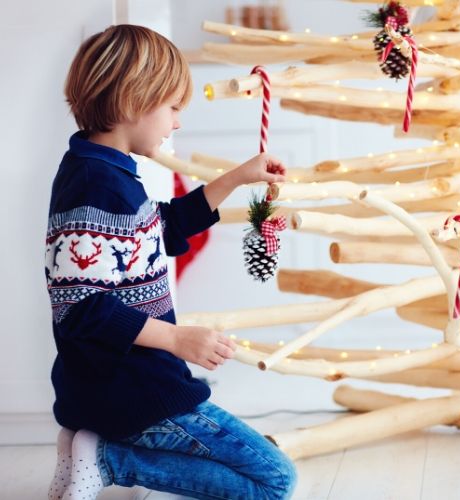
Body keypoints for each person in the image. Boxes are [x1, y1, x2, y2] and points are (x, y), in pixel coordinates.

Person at [44, 24, 296, 500]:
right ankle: (106, 458)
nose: (176, 122)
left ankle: (88, 447)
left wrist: (239, 177)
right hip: (136, 391)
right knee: (274, 480)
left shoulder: (102, 172)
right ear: (134, 101)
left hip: (119, 386)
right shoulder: (97, 185)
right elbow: (83, 309)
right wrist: (178, 339)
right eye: (173, 108)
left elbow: (164, 228)